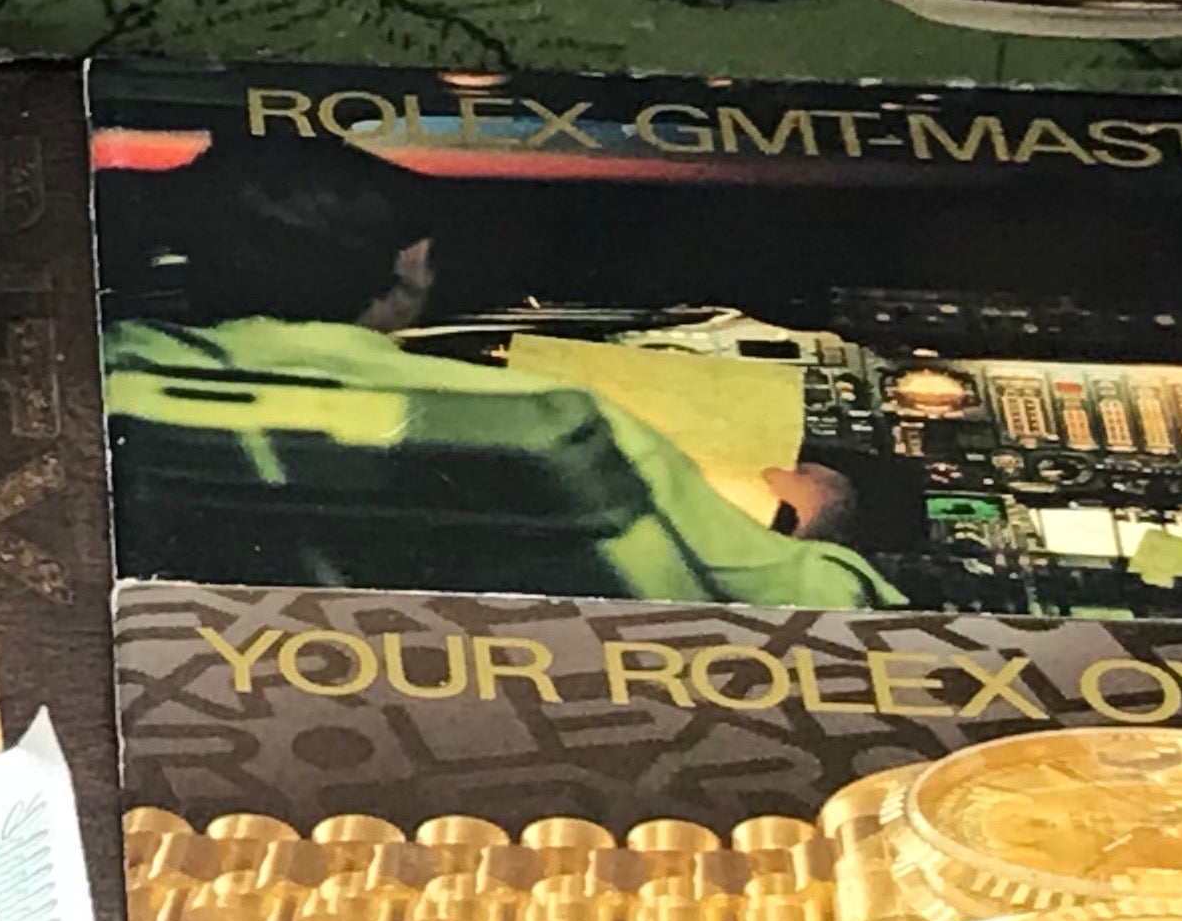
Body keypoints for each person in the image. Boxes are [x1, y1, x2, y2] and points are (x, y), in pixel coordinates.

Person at [101, 141, 902, 608]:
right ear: (413, 266)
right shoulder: (551, 421)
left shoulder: (101, 380)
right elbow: (817, 611)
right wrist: (824, 525)